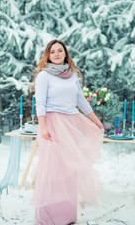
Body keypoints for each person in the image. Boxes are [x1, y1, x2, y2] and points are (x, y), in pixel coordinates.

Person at [32, 39, 104, 225]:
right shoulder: (44, 76)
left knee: (70, 170)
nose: (56, 54)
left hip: (72, 124)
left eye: (60, 51)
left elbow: (81, 100)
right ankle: (49, 216)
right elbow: (40, 103)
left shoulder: (71, 75)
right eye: (53, 51)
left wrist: (96, 121)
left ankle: (67, 215)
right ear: (48, 55)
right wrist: (44, 126)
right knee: (54, 170)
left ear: (65, 54)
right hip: (53, 124)